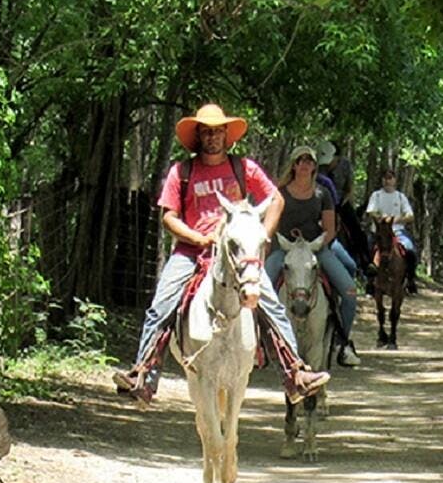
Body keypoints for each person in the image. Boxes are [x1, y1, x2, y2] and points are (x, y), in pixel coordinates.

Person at [112, 104, 331, 404]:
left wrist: (262, 236)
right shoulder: (182, 171)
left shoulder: (244, 168)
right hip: (193, 252)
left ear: (226, 136)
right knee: (161, 305)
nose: (212, 137)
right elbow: (169, 216)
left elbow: (276, 199)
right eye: (206, 132)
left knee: (271, 304)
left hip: (238, 253)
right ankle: (143, 375)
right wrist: (198, 237)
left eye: (217, 132)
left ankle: (295, 373)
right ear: (198, 136)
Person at [264, 145, 361, 367]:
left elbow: (329, 228)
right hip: (285, 249)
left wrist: (313, 246)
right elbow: (271, 225)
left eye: (309, 161)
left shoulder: (322, 193)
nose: (305, 164)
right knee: (260, 291)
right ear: (294, 165)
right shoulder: (280, 193)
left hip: (316, 248)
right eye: (301, 160)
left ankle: (342, 342)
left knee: (349, 291)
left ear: (315, 166)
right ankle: (261, 343)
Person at [317, 140, 372, 277]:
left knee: (356, 228)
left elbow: (350, 188)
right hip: (321, 201)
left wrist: (343, 202)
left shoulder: (345, 165)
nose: (328, 164)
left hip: (341, 201)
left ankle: (366, 262)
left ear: (337, 157)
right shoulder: (318, 167)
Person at [366, 168, 418, 294]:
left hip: (397, 231)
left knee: (410, 250)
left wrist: (396, 219)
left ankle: (410, 278)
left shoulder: (400, 197)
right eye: (385, 178)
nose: (387, 181)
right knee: (367, 249)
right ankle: (370, 281)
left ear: (394, 180)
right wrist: (382, 219)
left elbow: (410, 215)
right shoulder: (376, 195)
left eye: (390, 178)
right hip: (379, 231)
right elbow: (370, 211)